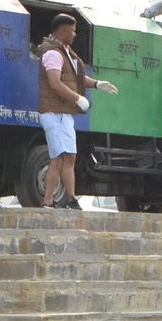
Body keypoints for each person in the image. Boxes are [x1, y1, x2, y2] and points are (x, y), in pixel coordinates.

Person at [36, 13, 116, 209]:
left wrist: (97, 84)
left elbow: (76, 79)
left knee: (70, 156)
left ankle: (71, 199)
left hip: (65, 113)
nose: (74, 35)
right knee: (57, 157)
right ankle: (47, 200)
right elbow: (55, 83)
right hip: (52, 112)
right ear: (62, 31)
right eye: (72, 31)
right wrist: (78, 98)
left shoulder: (67, 52)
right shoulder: (52, 53)